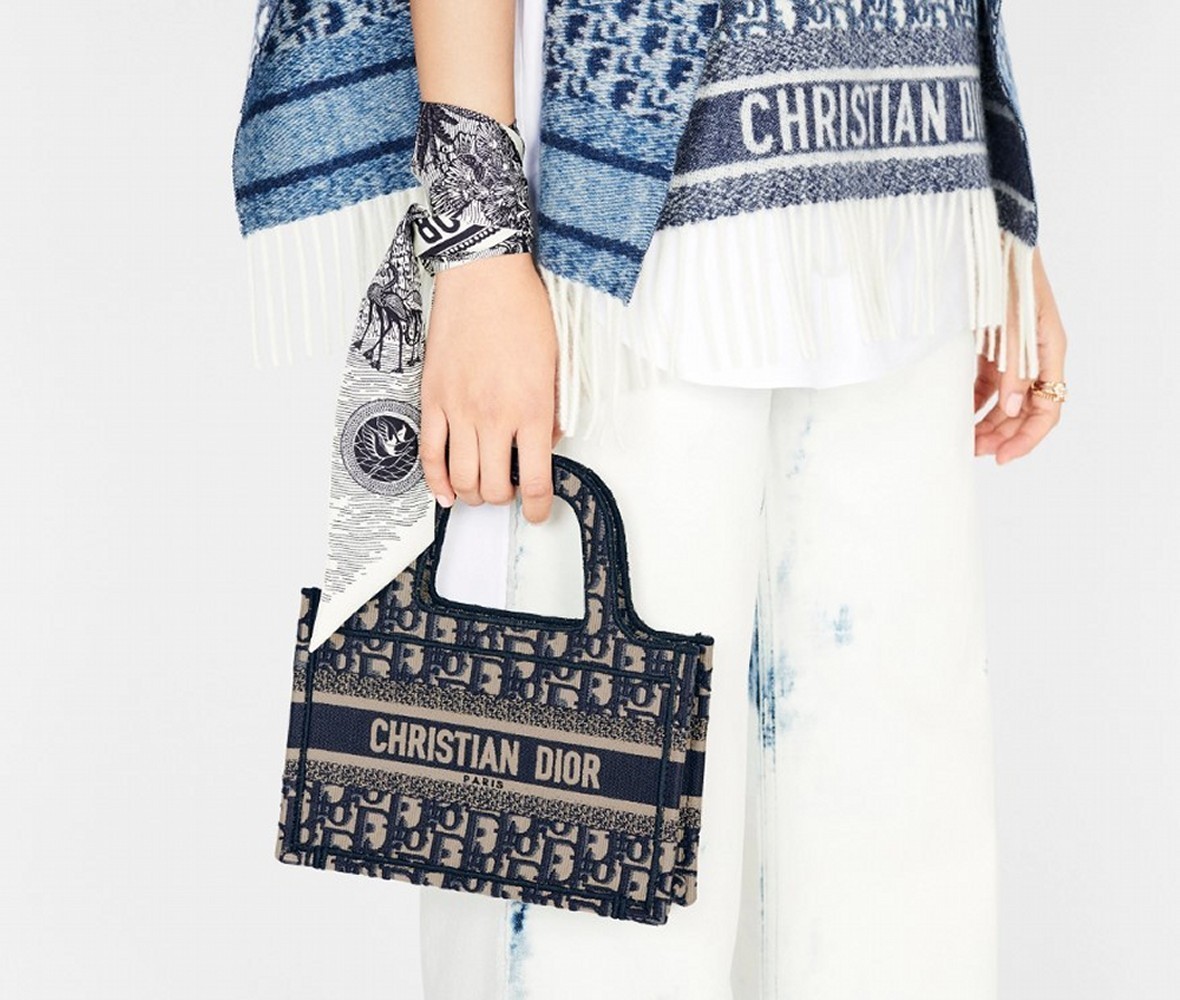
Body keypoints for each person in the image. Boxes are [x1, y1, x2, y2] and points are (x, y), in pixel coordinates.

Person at [232, 1, 1069, 996]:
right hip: (615, 257)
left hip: (908, 213)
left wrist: (1002, 223)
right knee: (579, 915)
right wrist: (476, 241)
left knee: (896, 902)